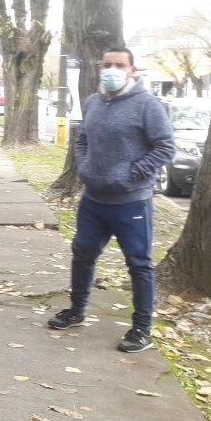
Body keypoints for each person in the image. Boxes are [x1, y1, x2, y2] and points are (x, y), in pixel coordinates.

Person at [47, 47, 174, 353]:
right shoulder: (93, 102)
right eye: (107, 64)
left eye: (119, 65)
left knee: (138, 264)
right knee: (82, 254)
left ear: (132, 70)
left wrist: (133, 173)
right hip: (93, 200)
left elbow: (166, 147)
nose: (112, 70)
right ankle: (76, 310)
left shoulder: (147, 104)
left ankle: (142, 329)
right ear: (99, 67)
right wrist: (85, 168)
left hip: (131, 202)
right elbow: (83, 140)